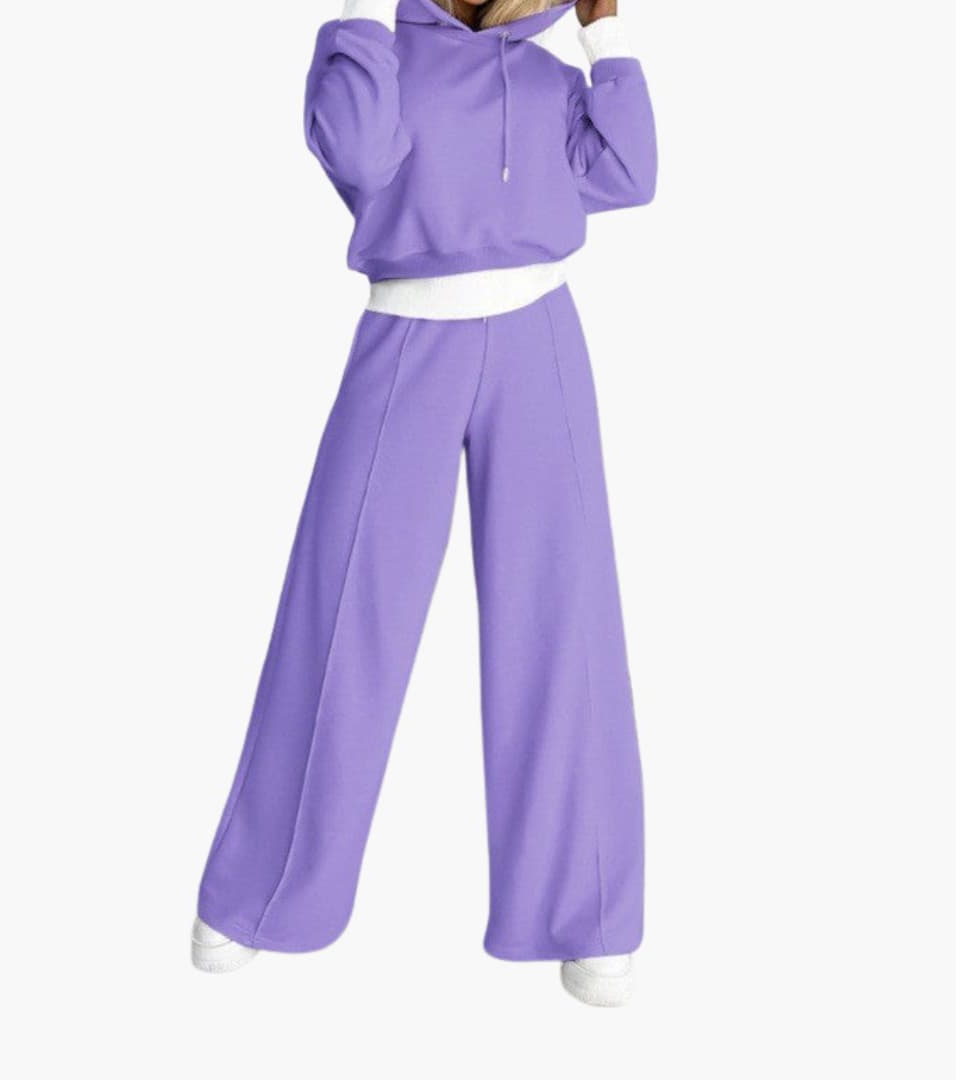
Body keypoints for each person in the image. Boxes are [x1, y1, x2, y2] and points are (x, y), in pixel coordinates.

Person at [191, 0, 656, 1007]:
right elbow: (355, 152)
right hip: (407, 338)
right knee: (340, 614)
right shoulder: (383, 60)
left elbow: (629, 173)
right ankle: (261, 894)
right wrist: (361, 12)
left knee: (565, 625)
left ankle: (587, 909)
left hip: (539, 336)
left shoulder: (548, 78)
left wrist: (605, 32)